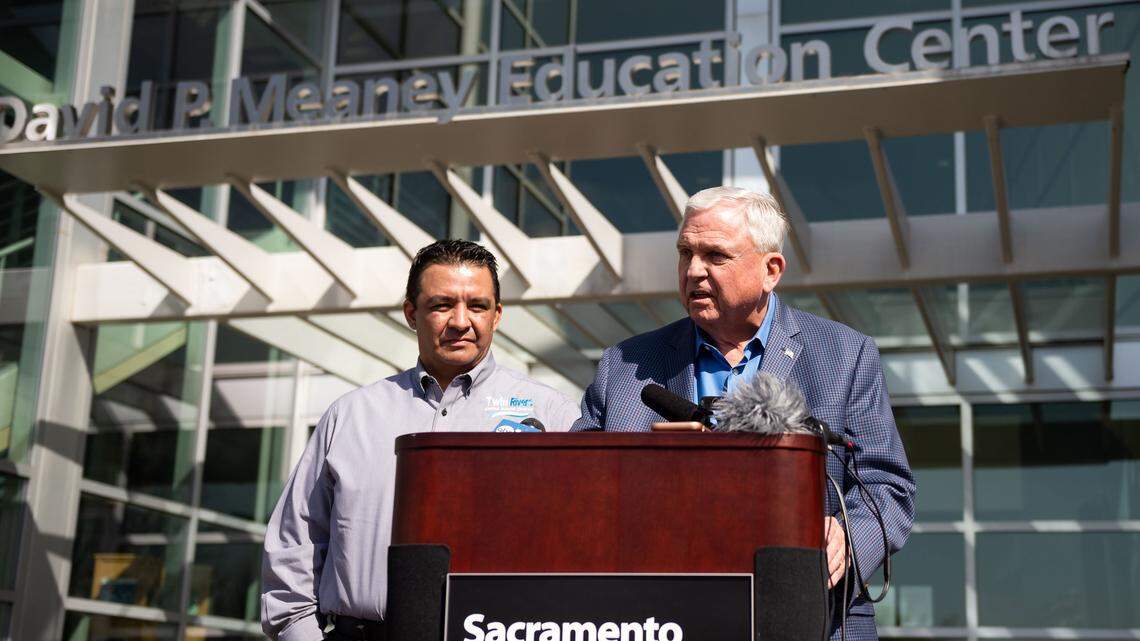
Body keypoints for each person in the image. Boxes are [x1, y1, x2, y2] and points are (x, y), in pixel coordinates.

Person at [572, 186, 916, 640]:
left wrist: (848, 539)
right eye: (685, 253)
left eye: (716, 256)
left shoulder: (845, 356)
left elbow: (888, 487)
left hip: (807, 618)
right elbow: (577, 484)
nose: (693, 271)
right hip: (660, 617)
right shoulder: (626, 365)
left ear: (770, 270)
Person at [262, 239, 581, 641]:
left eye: (477, 306)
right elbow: (294, 547)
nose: (461, 321)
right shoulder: (350, 416)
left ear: (498, 315)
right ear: (412, 314)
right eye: (442, 305)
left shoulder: (554, 417)